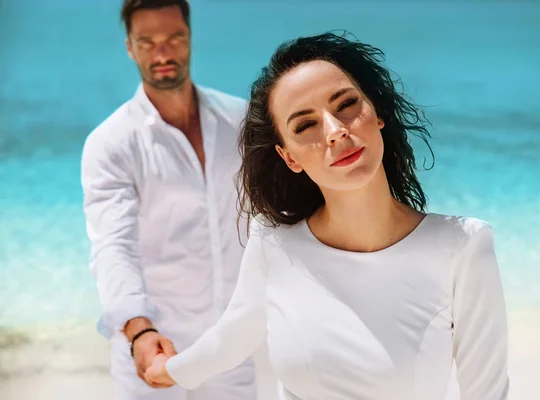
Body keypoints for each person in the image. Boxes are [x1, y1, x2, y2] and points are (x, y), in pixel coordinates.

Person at [143, 32, 510, 399]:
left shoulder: (461, 248)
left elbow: (487, 393)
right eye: (305, 125)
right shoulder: (274, 242)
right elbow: (234, 335)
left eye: (346, 104)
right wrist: (169, 370)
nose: (336, 131)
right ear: (289, 158)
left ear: (377, 112)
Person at [80, 1, 258, 399]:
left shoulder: (243, 122)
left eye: (174, 38)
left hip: (231, 348)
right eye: (148, 42)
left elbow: (279, 216)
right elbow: (113, 245)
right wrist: (139, 330)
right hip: (155, 348)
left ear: (190, 39)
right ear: (130, 47)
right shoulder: (111, 144)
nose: (162, 53)